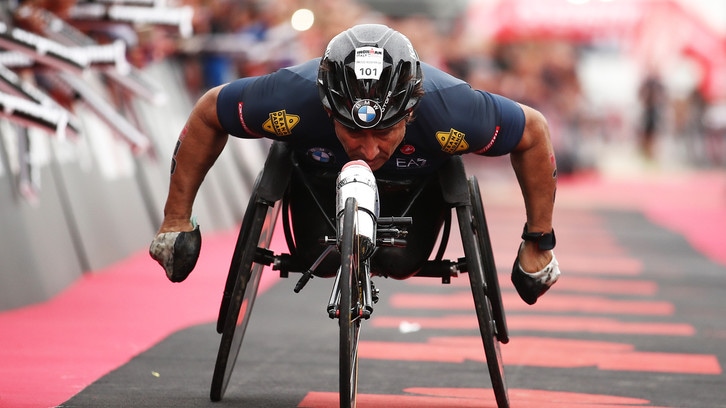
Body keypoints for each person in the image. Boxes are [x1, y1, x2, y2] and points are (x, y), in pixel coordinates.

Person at [149, 24, 560, 305]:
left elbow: (533, 132)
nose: (368, 148)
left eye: (385, 132)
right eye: (352, 131)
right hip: (319, 189)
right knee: (323, 262)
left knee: (402, 264)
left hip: (416, 195)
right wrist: (175, 219)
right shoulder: (291, 98)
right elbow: (210, 112)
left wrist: (538, 241)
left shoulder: (453, 109)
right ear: (327, 110)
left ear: (411, 113)